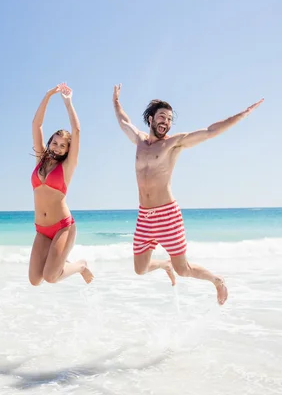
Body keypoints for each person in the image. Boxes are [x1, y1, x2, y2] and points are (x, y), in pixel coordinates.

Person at [113, 83, 263, 305]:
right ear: (151, 119)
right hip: (144, 216)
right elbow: (123, 120)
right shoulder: (139, 141)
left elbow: (211, 131)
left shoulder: (174, 144)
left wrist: (242, 114)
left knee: (183, 270)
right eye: (162, 117)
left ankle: (217, 280)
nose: (166, 122)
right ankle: (164, 264)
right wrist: (116, 100)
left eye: (169, 119)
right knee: (139, 269)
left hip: (167, 215)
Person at [29, 83, 94, 286]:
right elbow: (36, 125)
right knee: (34, 280)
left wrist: (68, 103)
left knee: (50, 277)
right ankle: (61, 260)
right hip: (42, 229)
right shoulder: (40, 160)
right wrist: (48, 95)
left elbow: (77, 129)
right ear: (49, 143)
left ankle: (80, 265)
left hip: (62, 227)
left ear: (68, 149)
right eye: (54, 143)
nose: (57, 148)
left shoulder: (67, 166)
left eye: (63, 145)